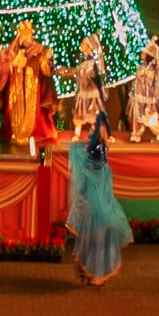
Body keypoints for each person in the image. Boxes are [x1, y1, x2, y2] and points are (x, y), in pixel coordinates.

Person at [65, 118, 132, 285]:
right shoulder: (99, 168)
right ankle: (94, 274)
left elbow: (93, 186)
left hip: (97, 208)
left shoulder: (96, 168)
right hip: (97, 208)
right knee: (98, 241)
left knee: (97, 241)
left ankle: (94, 274)